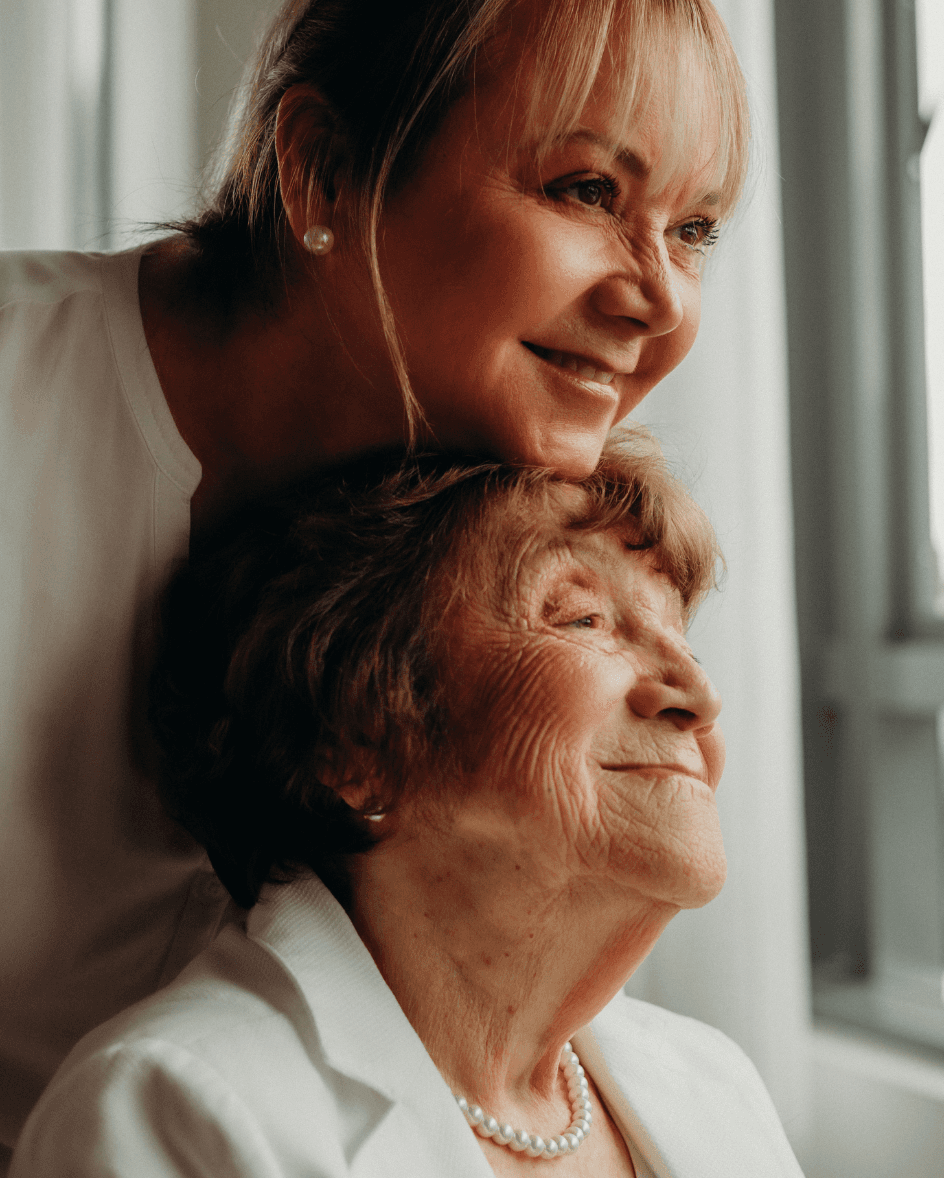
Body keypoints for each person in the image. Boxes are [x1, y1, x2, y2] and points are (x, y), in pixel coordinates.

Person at [0, 0, 750, 1159]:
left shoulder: (507, 515)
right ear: (321, 169)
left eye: (692, 230)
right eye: (585, 191)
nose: (659, 302)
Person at [11, 433, 804, 1177]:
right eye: (585, 619)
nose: (697, 695)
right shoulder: (168, 1112)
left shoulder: (717, 1082)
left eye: (685, 642)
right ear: (356, 744)